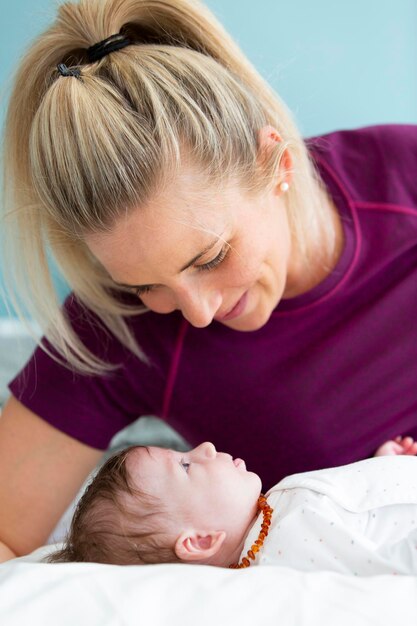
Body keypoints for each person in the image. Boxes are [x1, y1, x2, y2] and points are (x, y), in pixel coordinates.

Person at [0, 0, 416, 564]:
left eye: (211, 255)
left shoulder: (403, 177)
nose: (195, 313)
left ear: (279, 165)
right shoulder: (117, 327)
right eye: (147, 285)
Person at [46, 436, 417, 575]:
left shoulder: (272, 513)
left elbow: (356, 506)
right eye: (186, 465)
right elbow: (384, 563)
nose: (205, 447)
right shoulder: (288, 547)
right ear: (201, 540)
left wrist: (386, 462)